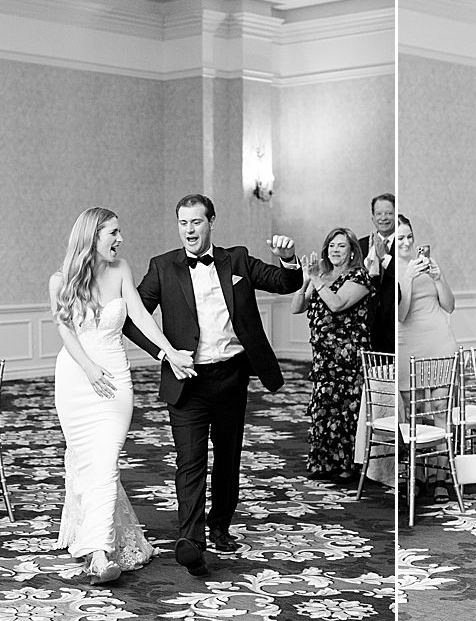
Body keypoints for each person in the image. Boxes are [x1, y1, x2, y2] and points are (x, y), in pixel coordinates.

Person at [123, 194, 302, 577]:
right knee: (189, 461)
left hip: (230, 375)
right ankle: (191, 540)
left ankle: (219, 524)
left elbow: (285, 282)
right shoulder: (162, 267)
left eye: (196, 223)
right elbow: (132, 319)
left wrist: (288, 258)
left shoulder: (236, 259)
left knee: (227, 457)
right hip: (186, 380)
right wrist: (165, 354)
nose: (189, 230)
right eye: (183, 223)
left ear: (211, 222)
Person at [51, 208, 195, 584]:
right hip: (75, 380)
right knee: (88, 463)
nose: (120, 239)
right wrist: (88, 368)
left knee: (107, 461)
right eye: (113, 232)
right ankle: (98, 549)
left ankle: (97, 553)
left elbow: (143, 318)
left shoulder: (121, 270)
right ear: (93, 235)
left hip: (115, 381)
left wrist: (168, 352)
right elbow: (65, 331)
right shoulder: (60, 280)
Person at [291, 228, 372, 481]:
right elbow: (296, 307)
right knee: (324, 409)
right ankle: (323, 464)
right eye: (332, 246)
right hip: (324, 358)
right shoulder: (321, 275)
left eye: (341, 246)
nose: (335, 251)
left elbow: (337, 304)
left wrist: (317, 281)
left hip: (347, 359)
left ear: (351, 253)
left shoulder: (359, 276)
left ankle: (347, 465)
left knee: (345, 411)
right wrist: (306, 279)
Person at [396, 214, 457, 501]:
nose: (406, 242)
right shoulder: (392, 271)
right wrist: (407, 278)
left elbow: (449, 305)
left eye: (409, 236)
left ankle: (440, 478)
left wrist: (438, 277)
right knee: (417, 417)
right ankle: (418, 477)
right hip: (410, 350)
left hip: (440, 345)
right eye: (400, 238)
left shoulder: (427, 267)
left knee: (440, 412)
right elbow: (401, 313)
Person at [359, 193, 396, 354]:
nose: (384, 218)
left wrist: (384, 257)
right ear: (372, 218)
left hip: (395, 319)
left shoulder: (403, 244)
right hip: (368, 319)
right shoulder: (361, 245)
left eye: (389, 213)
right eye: (379, 214)